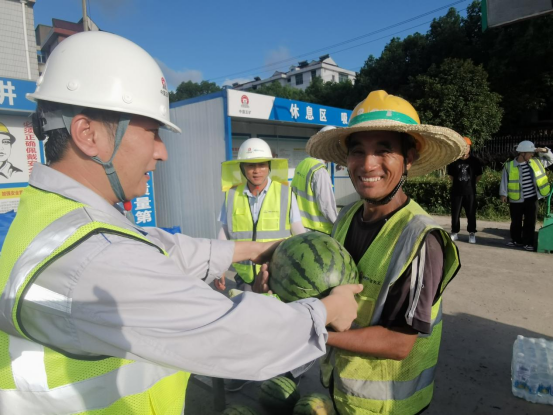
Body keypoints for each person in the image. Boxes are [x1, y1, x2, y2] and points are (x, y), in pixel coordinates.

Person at [0, 31, 362, 414]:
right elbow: (230, 335)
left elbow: (158, 249)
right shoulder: (91, 257)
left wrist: (252, 250)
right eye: (153, 133)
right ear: (88, 134)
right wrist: (325, 312)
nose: (162, 153)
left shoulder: (56, 217)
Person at [304, 90, 463, 414]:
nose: (367, 164)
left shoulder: (421, 239)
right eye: (357, 151)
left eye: (383, 150)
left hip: (390, 406)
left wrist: (307, 332)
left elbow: (399, 342)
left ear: (409, 159)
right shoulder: (346, 217)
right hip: (343, 392)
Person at [216, 137, 306, 292]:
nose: (257, 171)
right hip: (244, 277)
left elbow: (298, 230)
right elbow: (224, 231)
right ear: (242, 167)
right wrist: (219, 266)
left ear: (269, 166)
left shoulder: (285, 193)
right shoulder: (232, 195)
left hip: (277, 275)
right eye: (251, 165)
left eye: (262, 164)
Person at [500, 140, 552, 251]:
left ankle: (528, 243)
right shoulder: (509, 166)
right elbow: (504, 180)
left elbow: (551, 159)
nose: (532, 155)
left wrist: (544, 150)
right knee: (516, 221)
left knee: (530, 221)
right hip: (516, 199)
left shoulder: (536, 162)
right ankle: (516, 240)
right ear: (522, 153)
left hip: (532, 198)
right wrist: (503, 194)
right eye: (530, 153)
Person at [291, 140, 338, 234]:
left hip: (299, 226)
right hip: (319, 230)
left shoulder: (302, 164)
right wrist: (338, 225)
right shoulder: (320, 171)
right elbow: (326, 206)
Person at [446, 136, 483, 244]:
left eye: (467, 147)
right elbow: (451, 176)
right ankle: (454, 232)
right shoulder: (454, 161)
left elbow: (479, 175)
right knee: (455, 213)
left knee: (471, 213)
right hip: (456, 192)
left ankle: (472, 233)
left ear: (470, 148)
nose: (465, 148)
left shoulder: (475, 161)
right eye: (463, 146)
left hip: (470, 192)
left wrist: (471, 183)